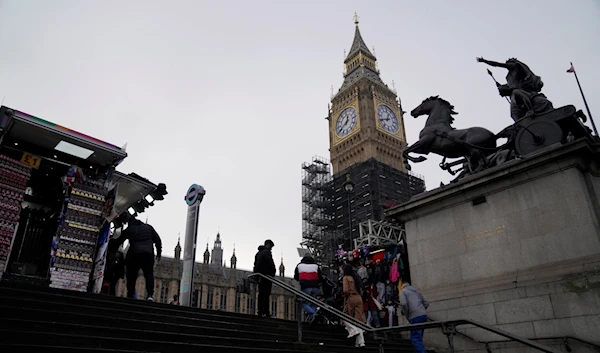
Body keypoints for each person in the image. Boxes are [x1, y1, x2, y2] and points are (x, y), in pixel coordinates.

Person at [476, 57, 553, 121]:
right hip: (513, 94)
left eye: (508, 62)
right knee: (513, 114)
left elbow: (497, 64)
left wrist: (484, 61)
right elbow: (510, 85)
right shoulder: (510, 76)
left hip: (518, 91)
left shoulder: (515, 66)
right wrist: (501, 86)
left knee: (518, 103)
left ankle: (530, 110)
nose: (507, 64)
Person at [112, 215, 162, 301]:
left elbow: (119, 240)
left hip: (134, 254)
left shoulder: (130, 229)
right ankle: (150, 295)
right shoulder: (149, 228)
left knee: (131, 275)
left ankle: (130, 294)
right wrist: (158, 253)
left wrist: (112, 250)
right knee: (149, 275)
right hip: (148, 255)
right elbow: (158, 240)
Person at [399, 280, 429, 353]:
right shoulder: (416, 291)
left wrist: (406, 313)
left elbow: (403, 303)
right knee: (419, 337)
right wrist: (421, 310)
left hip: (414, 317)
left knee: (415, 338)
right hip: (423, 316)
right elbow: (426, 303)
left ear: (402, 285)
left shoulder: (403, 292)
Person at [294, 253, 323, 321]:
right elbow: (320, 277)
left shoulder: (299, 265)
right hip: (315, 287)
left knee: (303, 302)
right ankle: (313, 317)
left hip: (305, 286)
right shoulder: (316, 266)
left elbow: (296, 277)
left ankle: (313, 314)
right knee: (314, 303)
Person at [342, 264, 366, 348]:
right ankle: (361, 342)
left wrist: (346, 296)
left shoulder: (346, 278)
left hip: (351, 298)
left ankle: (353, 330)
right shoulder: (356, 277)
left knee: (344, 316)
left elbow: (345, 290)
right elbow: (362, 289)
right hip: (359, 298)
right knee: (358, 320)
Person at [253, 239, 276, 317]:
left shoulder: (258, 253)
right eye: (271, 246)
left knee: (261, 294)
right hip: (266, 276)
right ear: (268, 245)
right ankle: (266, 312)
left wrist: (256, 274)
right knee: (266, 294)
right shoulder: (266, 252)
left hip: (260, 276)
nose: (271, 248)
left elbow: (256, 265)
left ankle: (260, 311)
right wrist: (273, 272)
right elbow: (270, 263)